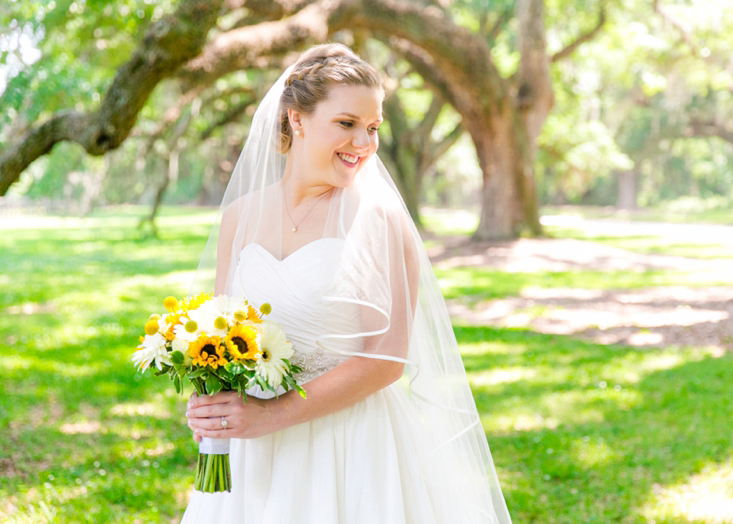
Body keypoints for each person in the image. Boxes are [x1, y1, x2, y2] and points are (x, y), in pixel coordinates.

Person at [181, 43, 512, 524]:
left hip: (349, 446)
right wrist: (211, 401)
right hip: (254, 451)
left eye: (373, 127)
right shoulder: (239, 217)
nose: (364, 142)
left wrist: (271, 415)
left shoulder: (377, 217)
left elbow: (385, 360)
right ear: (296, 118)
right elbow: (219, 334)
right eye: (347, 123)